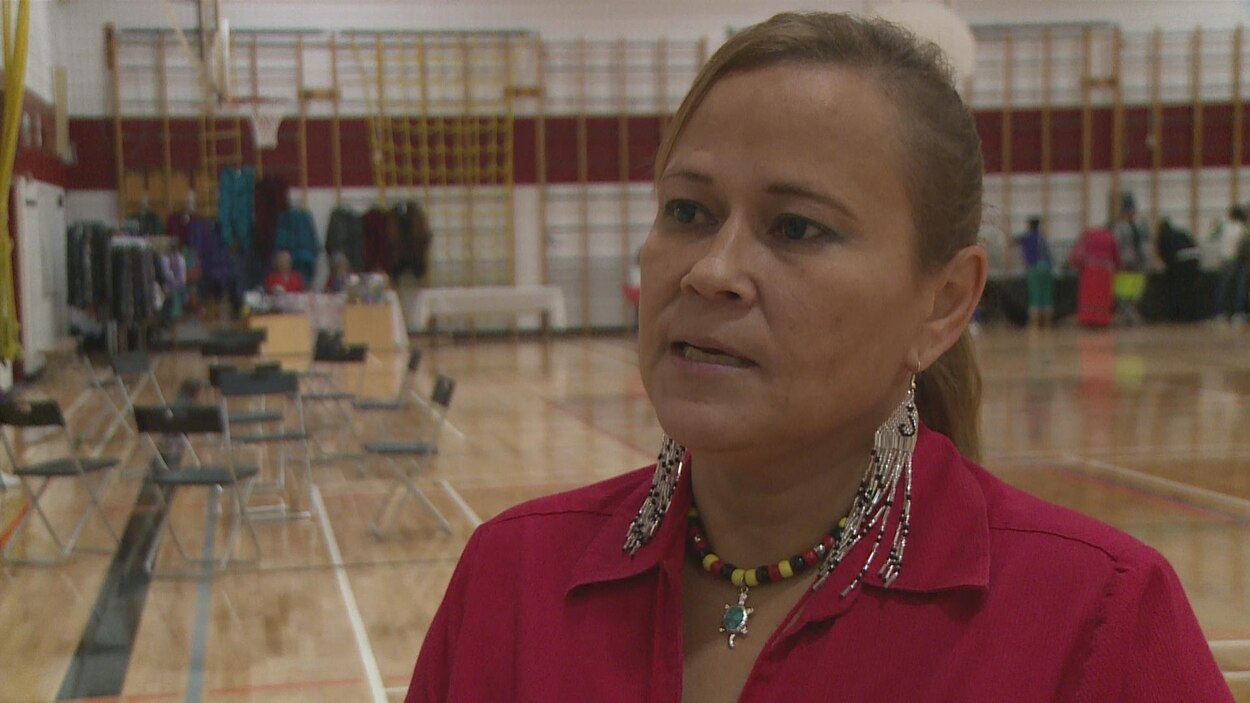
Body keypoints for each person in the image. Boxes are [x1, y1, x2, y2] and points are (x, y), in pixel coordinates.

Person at [406, 13, 1233, 702]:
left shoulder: (1097, 619)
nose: (711, 270)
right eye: (688, 211)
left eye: (795, 227)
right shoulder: (511, 581)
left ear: (944, 303)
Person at [1068, 224, 1120, 327]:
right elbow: (1116, 255)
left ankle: (1087, 318)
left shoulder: (1087, 235)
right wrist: (1118, 265)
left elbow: (1077, 254)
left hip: (1089, 270)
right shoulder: (1110, 236)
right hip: (1105, 270)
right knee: (1102, 295)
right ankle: (1102, 319)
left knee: (1089, 295)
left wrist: (1075, 264)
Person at [1156, 217, 1203, 322]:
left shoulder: (1163, 236)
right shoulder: (1181, 232)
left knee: (1179, 289)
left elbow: (1165, 254)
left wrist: (1169, 268)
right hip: (1195, 257)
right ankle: (1193, 315)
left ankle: (1178, 316)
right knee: (1191, 288)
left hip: (1181, 260)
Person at [1111, 194, 1148, 324]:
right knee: (1124, 288)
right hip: (1126, 260)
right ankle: (1125, 313)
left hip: (1139, 259)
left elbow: (1145, 239)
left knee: (1136, 287)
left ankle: (1132, 311)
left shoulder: (1139, 225)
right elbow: (1117, 243)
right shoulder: (1120, 226)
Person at [1209, 205, 1248, 323]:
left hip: (1225, 259)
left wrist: (1213, 225)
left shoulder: (1224, 226)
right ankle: (1238, 313)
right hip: (1240, 260)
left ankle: (1219, 313)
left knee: (1223, 288)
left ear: (1231, 215)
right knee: (1239, 287)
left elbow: (1211, 236)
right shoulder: (1244, 228)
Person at [1015, 215, 1053, 327]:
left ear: (1029, 226)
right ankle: (1047, 323)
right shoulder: (1042, 237)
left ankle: (1035, 323)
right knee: (1046, 294)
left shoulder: (1026, 238)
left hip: (1034, 267)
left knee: (1035, 294)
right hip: (1047, 267)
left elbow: (1012, 241)